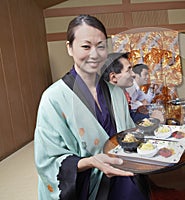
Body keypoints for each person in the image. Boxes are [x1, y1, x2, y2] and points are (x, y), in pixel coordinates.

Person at [34, 15, 150, 200]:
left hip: (122, 173)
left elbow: (129, 135)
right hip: (87, 183)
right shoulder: (53, 98)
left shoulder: (116, 92)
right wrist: (90, 162)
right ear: (69, 48)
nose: (95, 54)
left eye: (101, 46)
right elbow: (48, 161)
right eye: (86, 46)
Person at [101, 53, 164, 123]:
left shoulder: (120, 95)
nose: (133, 75)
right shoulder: (105, 104)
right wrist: (150, 117)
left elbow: (129, 118)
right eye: (128, 70)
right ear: (113, 77)